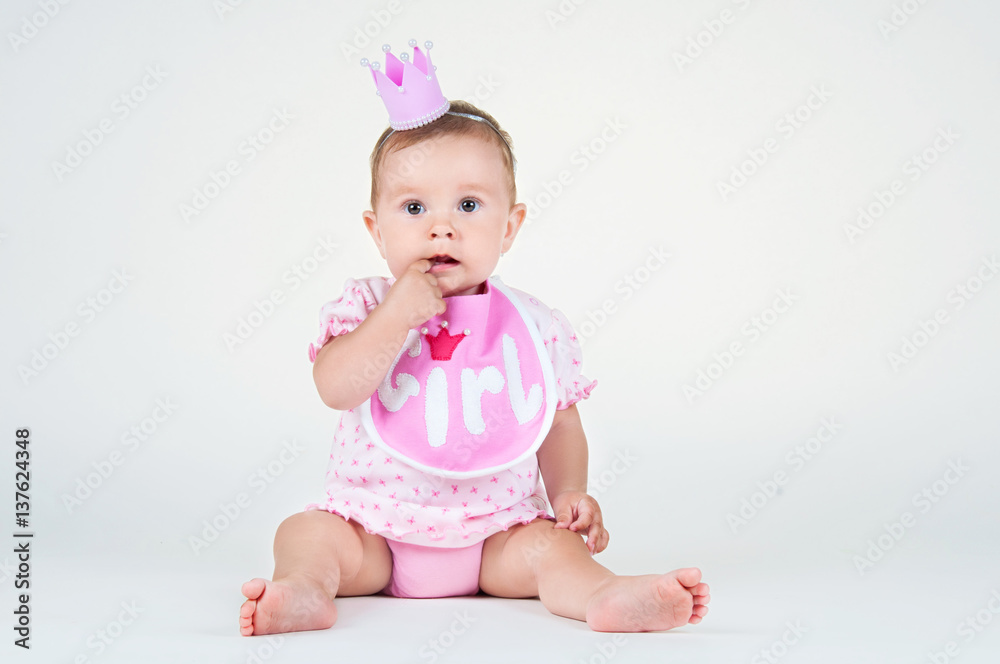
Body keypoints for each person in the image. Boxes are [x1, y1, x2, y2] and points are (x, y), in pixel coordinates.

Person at [239, 41, 709, 636]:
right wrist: (394, 319)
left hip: (496, 535)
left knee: (554, 550)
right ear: (376, 230)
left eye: (468, 204)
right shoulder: (363, 307)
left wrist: (570, 492)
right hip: (375, 531)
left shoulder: (535, 327)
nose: (442, 225)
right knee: (304, 534)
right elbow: (335, 387)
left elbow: (559, 421)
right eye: (413, 207)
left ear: (509, 226)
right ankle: (305, 592)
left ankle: (604, 596)